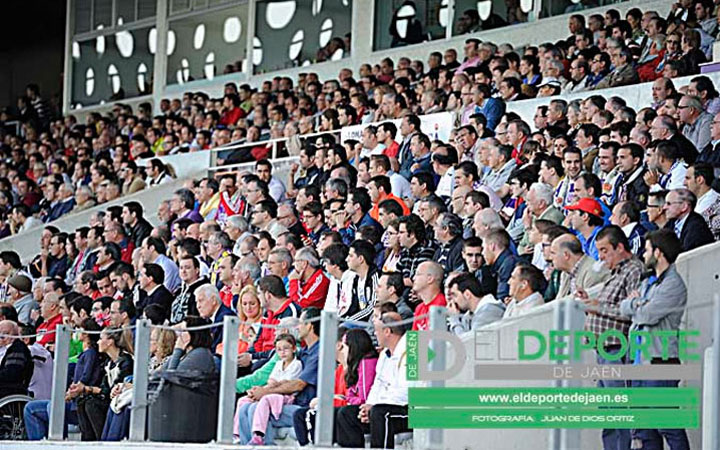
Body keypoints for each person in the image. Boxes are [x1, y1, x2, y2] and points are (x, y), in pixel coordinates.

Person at [620, 229, 690, 450]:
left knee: (667, 425)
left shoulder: (673, 284)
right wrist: (637, 304)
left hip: (660, 364)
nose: (643, 254)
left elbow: (646, 315)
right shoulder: (648, 282)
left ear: (658, 253)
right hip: (640, 363)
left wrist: (637, 305)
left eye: (647, 250)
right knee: (644, 430)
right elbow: (624, 308)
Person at [575, 226, 643, 450]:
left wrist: (598, 308)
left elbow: (634, 311)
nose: (601, 257)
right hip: (604, 348)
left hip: (617, 347)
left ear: (620, 247)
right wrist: (591, 302)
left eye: (604, 251)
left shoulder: (634, 270)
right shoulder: (618, 271)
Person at [237, 307, 322, 445]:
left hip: (304, 407)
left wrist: (265, 392)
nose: (297, 327)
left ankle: (265, 446)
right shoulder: (304, 351)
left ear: (310, 325)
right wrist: (260, 390)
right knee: (245, 407)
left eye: (300, 323)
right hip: (291, 402)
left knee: (255, 408)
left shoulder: (319, 351)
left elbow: (299, 384)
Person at [335, 312, 410, 449]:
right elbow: (377, 385)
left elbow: (406, 393)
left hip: (413, 409)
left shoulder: (413, 348)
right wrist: (368, 406)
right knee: (346, 414)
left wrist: (373, 407)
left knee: (380, 413)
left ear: (387, 331)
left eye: (376, 331)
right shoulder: (384, 354)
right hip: (387, 405)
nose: (375, 334)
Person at [238, 334, 303, 445]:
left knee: (259, 404)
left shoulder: (296, 364)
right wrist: (256, 390)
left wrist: (272, 386)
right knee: (243, 402)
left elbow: (286, 384)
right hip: (273, 392)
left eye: (286, 348)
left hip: (285, 396)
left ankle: (259, 435)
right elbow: (271, 381)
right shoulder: (278, 364)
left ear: (294, 348)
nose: (282, 352)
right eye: (279, 350)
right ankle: (241, 439)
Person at [71, 327, 133, 441]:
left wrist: (88, 389)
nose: (98, 342)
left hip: (118, 401)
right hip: (109, 398)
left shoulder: (126, 361)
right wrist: (88, 390)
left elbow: (115, 388)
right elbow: (104, 387)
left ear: (110, 342)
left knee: (92, 404)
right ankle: (87, 442)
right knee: (82, 401)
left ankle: (101, 441)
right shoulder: (108, 362)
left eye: (101, 338)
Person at [551, 234, 610, 299]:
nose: (551, 258)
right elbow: (559, 302)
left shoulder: (593, 272)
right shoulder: (565, 273)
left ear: (566, 255)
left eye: (553, 253)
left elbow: (587, 304)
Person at [663, 188, 715, 252]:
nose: (664, 207)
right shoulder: (671, 223)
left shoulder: (696, 227)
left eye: (669, 204)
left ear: (684, 206)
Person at [0, 320, 34, 398]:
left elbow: (12, 373)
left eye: (4, 334)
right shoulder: (6, 348)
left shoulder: (18, 349)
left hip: (11, 390)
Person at [411, 261, 446, 330]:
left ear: (430, 279)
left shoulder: (441, 304)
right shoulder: (419, 308)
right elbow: (412, 340)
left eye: (418, 274)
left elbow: (433, 337)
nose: (413, 278)